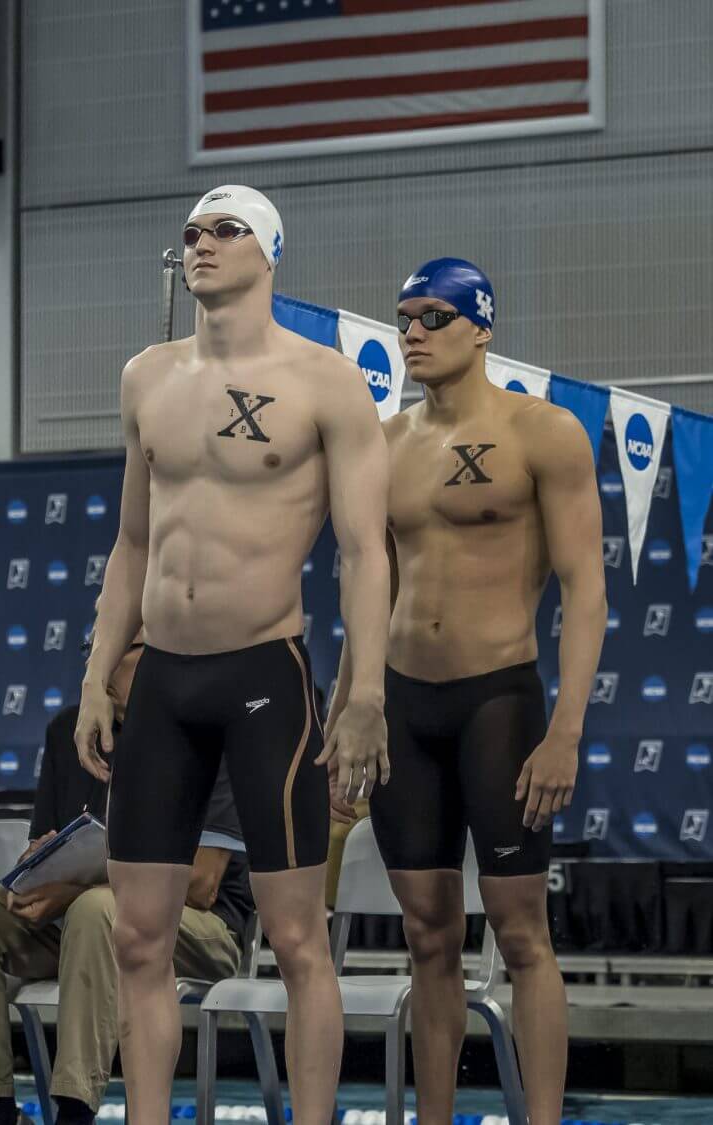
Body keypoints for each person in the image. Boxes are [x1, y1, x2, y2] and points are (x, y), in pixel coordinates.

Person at [74, 186, 391, 1125]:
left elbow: (365, 551)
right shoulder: (146, 376)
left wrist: (366, 692)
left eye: (225, 230)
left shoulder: (327, 381)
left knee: (297, 940)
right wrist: (95, 673)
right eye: (192, 232)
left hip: (263, 675)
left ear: (271, 252)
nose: (201, 244)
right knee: (138, 938)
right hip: (162, 681)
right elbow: (132, 542)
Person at [328, 258, 606, 1125]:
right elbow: (366, 588)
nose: (412, 332)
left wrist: (566, 730)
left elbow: (586, 589)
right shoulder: (381, 443)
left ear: (482, 328)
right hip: (403, 704)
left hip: (499, 701)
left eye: (434, 316)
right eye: (404, 316)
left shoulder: (544, 432)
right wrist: (346, 710)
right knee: (427, 933)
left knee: (521, 930)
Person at [0, 636, 255, 1125]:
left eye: (117, 646)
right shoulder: (71, 731)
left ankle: (74, 1113)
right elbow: (47, 847)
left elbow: (202, 884)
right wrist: (40, 861)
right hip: (82, 924)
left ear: (162, 652)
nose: (96, 661)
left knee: (97, 909)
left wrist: (81, 885)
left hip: (195, 930)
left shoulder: (210, 733)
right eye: (93, 646)